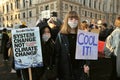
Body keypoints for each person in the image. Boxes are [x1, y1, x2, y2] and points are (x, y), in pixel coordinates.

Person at [55, 11, 90, 80]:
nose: (74, 21)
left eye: (76, 19)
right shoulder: (61, 35)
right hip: (65, 70)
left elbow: (87, 53)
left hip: (79, 70)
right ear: (67, 20)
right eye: (71, 19)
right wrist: (57, 71)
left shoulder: (83, 35)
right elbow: (57, 54)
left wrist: (87, 64)